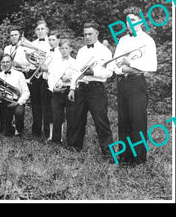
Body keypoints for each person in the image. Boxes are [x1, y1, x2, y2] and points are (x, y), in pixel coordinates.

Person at [111, 12, 157, 165]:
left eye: (133, 20)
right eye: (127, 20)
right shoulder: (123, 40)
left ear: (141, 22)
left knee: (137, 120)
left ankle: (138, 159)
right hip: (122, 82)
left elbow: (151, 65)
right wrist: (124, 68)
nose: (129, 23)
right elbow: (114, 63)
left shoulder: (148, 40)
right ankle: (124, 156)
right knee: (124, 120)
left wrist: (128, 61)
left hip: (137, 83)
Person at [67, 22, 113, 155]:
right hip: (80, 88)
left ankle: (108, 153)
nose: (87, 37)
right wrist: (72, 88)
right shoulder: (81, 51)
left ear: (97, 34)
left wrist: (94, 73)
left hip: (96, 89)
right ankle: (75, 149)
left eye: (90, 34)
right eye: (85, 34)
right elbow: (76, 71)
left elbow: (109, 73)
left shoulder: (105, 51)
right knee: (77, 120)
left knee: (101, 121)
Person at [28, 20, 53, 139]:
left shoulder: (52, 42)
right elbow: (29, 60)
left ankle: (48, 131)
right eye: (38, 29)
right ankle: (36, 131)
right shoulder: (31, 44)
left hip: (47, 75)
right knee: (35, 103)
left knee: (47, 104)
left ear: (47, 30)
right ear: (35, 32)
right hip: (35, 75)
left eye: (42, 29)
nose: (40, 31)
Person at [47, 38, 75, 144]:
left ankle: (71, 141)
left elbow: (76, 78)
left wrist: (69, 79)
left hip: (69, 90)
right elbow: (51, 77)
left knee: (71, 116)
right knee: (56, 116)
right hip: (57, 91)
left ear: (71, 49)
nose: (64, 50)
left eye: (66, 48)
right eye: (62, 48)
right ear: (59, 49)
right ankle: (56, 140)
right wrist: (53, 87)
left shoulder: (75, 62)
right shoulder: (55, 62)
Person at [0, 54, 30, 136]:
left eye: (7, 62)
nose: (5, 64)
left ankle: (19, 129)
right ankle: (9, 126)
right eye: (3, 62)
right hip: (4, 101)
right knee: (6, 131)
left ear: (11, 63)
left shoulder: (19, 74)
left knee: (18, 113)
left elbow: (26, 92)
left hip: (16, 101)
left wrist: (18, 102)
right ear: (0, 63)